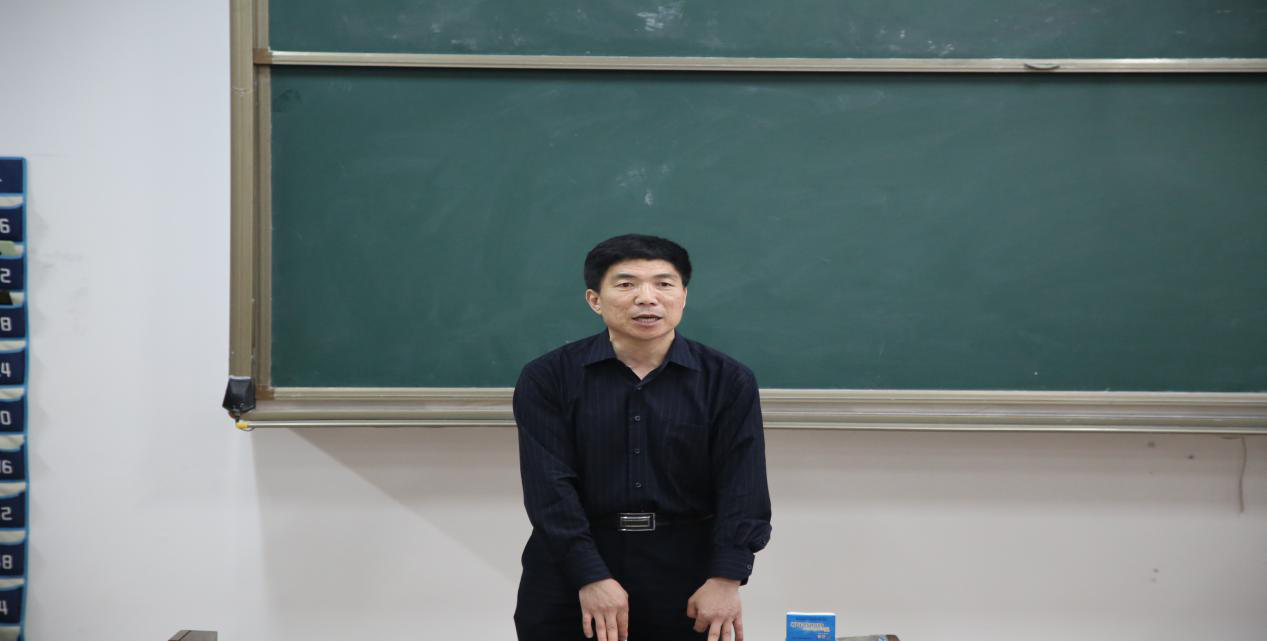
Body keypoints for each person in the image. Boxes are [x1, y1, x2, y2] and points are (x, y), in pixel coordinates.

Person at [513, 234, 772, 641]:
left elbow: (743, 484)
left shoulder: (727, 380)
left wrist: (727, 577)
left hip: (688, 571)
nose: (647, 298)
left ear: (683, 296)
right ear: (595, 300)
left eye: (663, 284)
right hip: (572, 569)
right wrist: (590, 576)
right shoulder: (548, 377)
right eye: (626, 284)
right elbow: (549, 489)